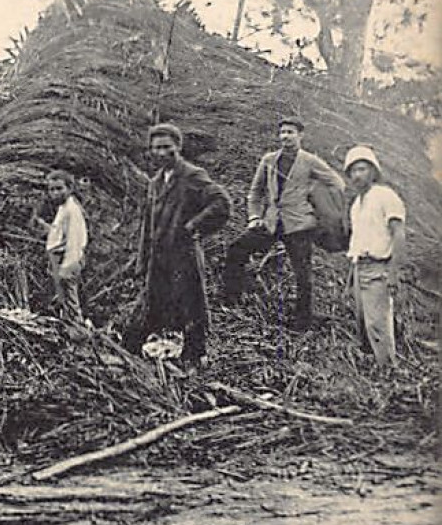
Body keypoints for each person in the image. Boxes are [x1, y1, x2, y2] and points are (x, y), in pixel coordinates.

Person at [222, 116, 345, 330]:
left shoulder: (310, 161)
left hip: (298, 225)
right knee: (237, 248)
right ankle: (231, 300)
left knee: (303, 274)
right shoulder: (269, 160)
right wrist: (254, 217)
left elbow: (337, 183)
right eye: (282, 132)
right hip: (270, 222)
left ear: (301, 135)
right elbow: (255, 192)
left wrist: (315, 199)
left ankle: (302, 322)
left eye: (290, 132)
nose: (285, 136)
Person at [125, 122, 231, 367]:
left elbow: (221, 203)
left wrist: (194, 226)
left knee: (190, 304)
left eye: (166, 147)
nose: (161, 153)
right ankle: (136, 354)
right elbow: (147, 225)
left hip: (183, 256)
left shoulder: (192, 176)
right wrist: (142, 260)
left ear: (178, 147)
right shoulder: (155, 182)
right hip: (159, 257)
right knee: (153, 303)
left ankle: (195, 356)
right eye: (156, 148)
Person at [344, 145, 405, 369]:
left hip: (379, 267)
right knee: (363, 325)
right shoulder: (356, 204)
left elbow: (398, 234)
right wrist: (352, 275)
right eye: (353, 171)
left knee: (378, 325)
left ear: (373, 171)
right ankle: (374, 376)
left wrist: (393, 273)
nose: (357, 175)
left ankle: (389, 372)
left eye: (362, 169)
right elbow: (359, 240)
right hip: (361, 267)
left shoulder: (385, 196)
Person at [32, 169, 88, 325]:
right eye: (52, 189)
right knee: (62, 297)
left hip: (67, 260)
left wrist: (67, 266)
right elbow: (61, 233)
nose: (55, 193)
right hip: (58, 258)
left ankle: (77, 330)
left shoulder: (72, 210)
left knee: (70, 299)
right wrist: (48, 229)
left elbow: (75, 239)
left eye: (59, 188)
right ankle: (67, 325)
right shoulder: (63, 208)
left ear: (69, 189)